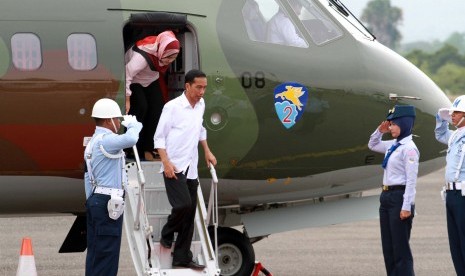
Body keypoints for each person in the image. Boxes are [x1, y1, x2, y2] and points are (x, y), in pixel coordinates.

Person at [154, 69, 217, 269]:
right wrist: (165, 162)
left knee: (190, 213)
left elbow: (200, 129)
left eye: (204, 88)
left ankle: (182, 256)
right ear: (187, 86)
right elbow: (159, 137)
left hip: (191, 166)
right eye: (198, 87)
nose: (202, 92)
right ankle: (166, 232)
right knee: (182, 205)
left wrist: (207, 151)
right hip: (174, 165)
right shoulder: (172, 107)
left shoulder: (201, 105)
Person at [84, 98, 142, 276]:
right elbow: (132, 138)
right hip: (108, 202)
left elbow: (87, 176)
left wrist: (91, 201)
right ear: (108, 120)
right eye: (117, 119)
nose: (119, 122)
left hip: (98, 199)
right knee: (107, 254)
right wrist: (134, 124)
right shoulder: (107, 140)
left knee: (96, 253)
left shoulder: (94, 141)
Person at [368, 105, 418, 276]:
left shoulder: (409, 149)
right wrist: (379, 130)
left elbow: (411, 181)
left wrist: (406, 206)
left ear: (404, 123)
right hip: (386, 196)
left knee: (400, 249)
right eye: (390, 125)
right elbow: (373, 144)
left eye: (394, 124)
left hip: (399, 197)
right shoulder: (392, 145)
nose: (391, 128)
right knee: (388, 248)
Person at [125, 30, 180, 161]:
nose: (169, 61)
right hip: (134, 80)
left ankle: (149, 147)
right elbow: (127, 74)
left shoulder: (163, 49)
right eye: (168, 57)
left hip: (150, 79)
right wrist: (127, 99)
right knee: (141, 107)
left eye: (173, 58)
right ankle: (131, 148)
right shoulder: (142, 58)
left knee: (158, 109)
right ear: (161, 51)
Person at [435, 95, 465, 275]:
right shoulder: (455, 136)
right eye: (452, 113)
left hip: (463, 195)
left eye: (457, 113)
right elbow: (440, 134)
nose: (452, 115)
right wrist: (441, 117)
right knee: (455, 244)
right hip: (451, 195)